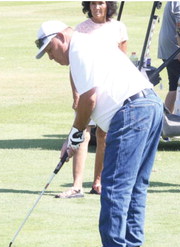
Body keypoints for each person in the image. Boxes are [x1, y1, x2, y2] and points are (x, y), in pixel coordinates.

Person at [35, 19, 163, 247]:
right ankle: (130, 246)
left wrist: (74, 136)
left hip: (132, 111)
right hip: (150, 104)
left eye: (50, 50)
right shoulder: (88, 44)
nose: (51, 57)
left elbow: (89, 99)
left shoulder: (78, 49)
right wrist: (74, 136)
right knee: (136, 182)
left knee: (114, 182)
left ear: (60, 37)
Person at [55, 1, 128, 199]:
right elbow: (75, 66)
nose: (97, 7)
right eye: (93, 3)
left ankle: (98, 182)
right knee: (83, 133)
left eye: (101, 3)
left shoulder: (118, 28)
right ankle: (77, 185)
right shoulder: (81, 29)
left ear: (108, 5)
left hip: (109, 89)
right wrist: (76, 93)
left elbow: (123, 60)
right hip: (87, 88)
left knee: (103, 135)